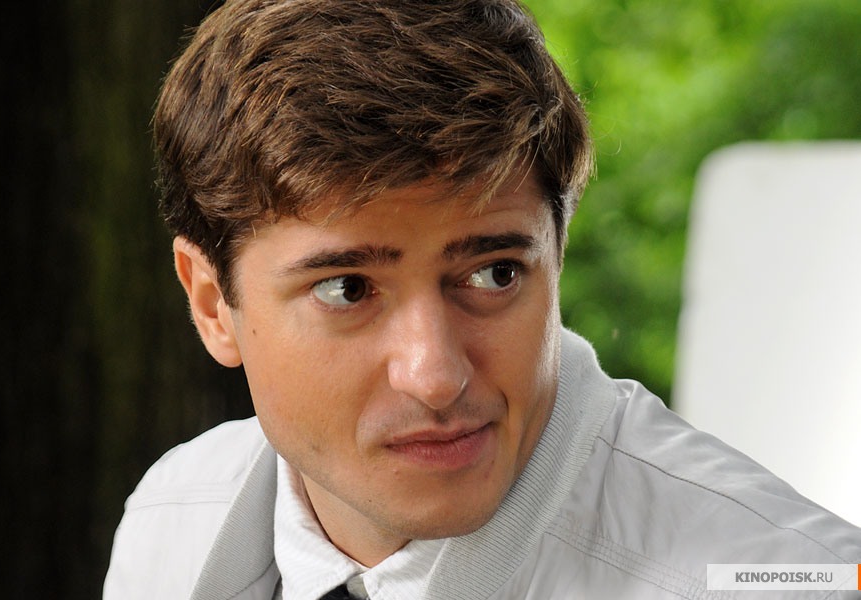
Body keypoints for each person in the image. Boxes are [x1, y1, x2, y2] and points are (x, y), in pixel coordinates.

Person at [104, 0, 861, 598]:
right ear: (213, 305)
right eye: (347, 289)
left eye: (495, 274)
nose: (436, 376)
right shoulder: (171, 520)